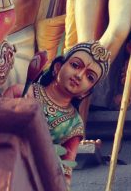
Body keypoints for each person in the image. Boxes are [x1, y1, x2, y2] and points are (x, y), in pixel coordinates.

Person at [28, 41, 110, 187]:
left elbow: (65, 173)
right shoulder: (27, 92)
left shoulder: (74, 125)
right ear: (58, 67)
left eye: (89, 77)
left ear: (86, 92)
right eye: (75, 65)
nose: (79, 75)